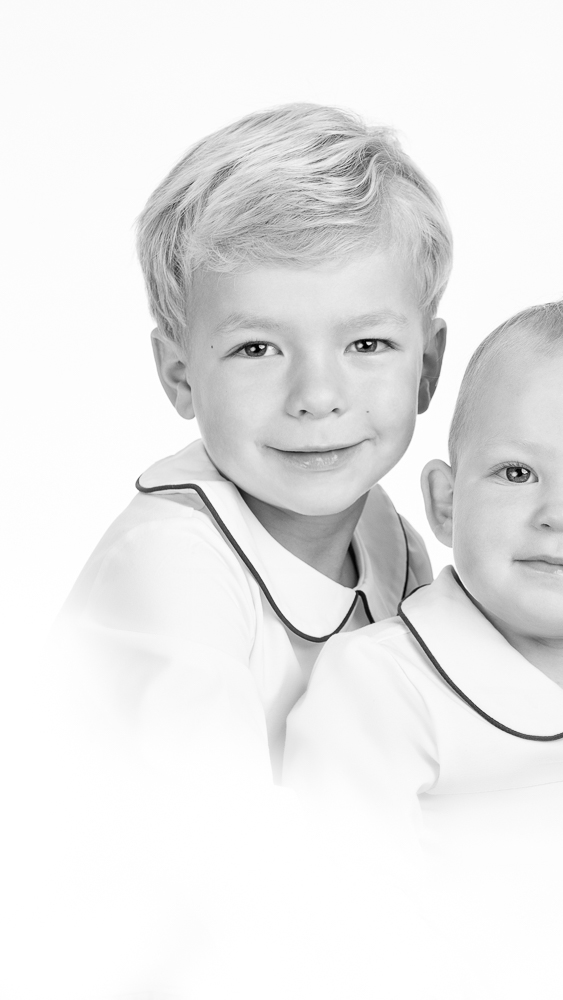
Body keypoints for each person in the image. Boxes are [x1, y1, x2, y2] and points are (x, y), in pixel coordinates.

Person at [51, 102, 451, 782]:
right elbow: (212, 853)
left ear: (428, 368)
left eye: (367, 343)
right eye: (257, 348)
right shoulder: (174, 565)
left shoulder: (388, 542)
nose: (317, 395)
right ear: (180, 376)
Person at [283, 288, 563, 854]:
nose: (561, 515)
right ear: (447, 503)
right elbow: (333, 900)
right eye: (518, 473)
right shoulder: (382, 685)